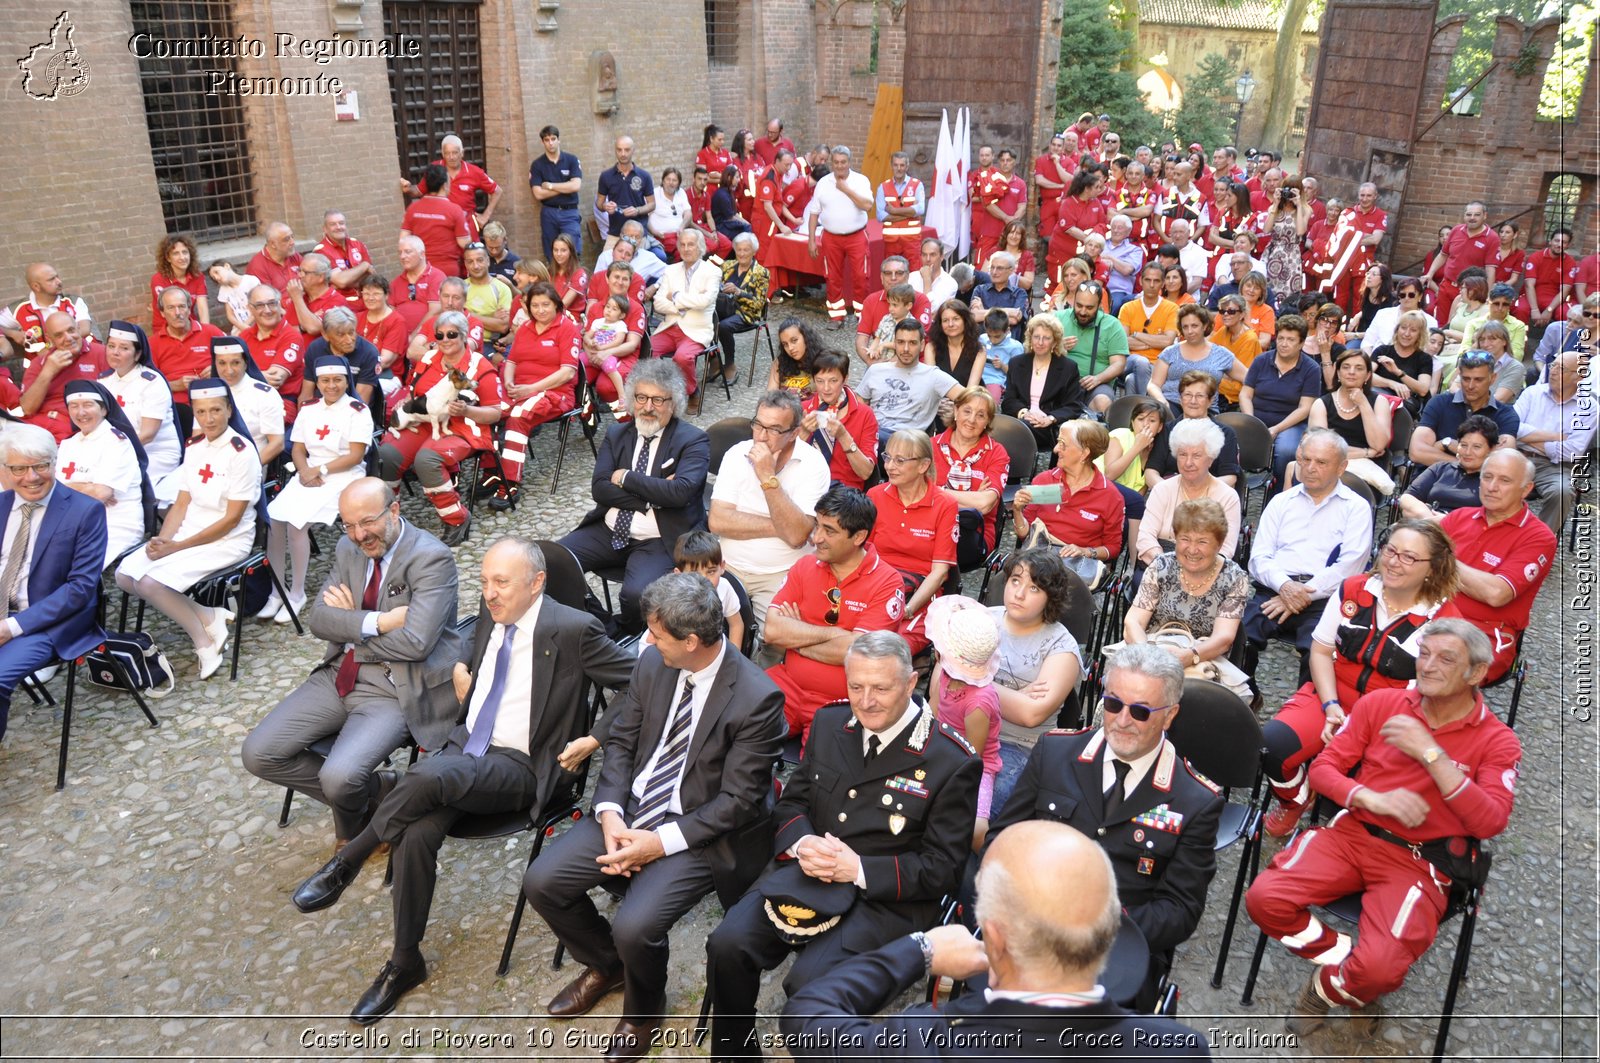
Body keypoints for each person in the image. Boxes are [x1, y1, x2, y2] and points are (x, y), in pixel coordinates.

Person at [286, 537, 634, 1025]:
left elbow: (641, 683)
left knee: (429, 774)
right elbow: (482, 659)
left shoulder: (574, 629)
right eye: (485, 581)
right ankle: (405, 962)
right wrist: (466, 678)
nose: (490, 593)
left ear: (536, 584)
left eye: (502, 583)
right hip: (466, 751)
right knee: (416, 829)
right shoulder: (492, 611)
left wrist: (594, 738)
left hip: (522, 768)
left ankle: (349, 857)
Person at [525, 573, 784, 1063]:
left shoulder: (757, 698)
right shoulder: (652, 662)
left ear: (691, 641)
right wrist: (610, 813)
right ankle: (609, 966)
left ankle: (643, 1010)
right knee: (543, 881)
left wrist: (657, 844)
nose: (647, 640)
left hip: (698, 833)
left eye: (657, 634)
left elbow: (738, 802)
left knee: (634, 925)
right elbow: (622, 740)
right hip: (632, 810)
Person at [706, 630, 982, 1063]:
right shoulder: (832, 723)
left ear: (911, 685)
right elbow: (793, 801)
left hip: (886, 897)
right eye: (856, 686)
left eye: (881, 688)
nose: (866, 700)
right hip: (809, 870)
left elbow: (942, 869)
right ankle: (734, 1053)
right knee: (727, 944)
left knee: (809, 988)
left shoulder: (951, 760)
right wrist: (802, 844)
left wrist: (857, 869)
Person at [1246, 619, 1520, 1038]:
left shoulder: (1498, 741)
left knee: (1381, 969)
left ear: (1477, 673)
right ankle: (1352, 969)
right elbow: (1323, 770)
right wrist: (1368, 798)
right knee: (1265, 900)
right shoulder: (1382, 705)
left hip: (1420, 861)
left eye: (1446, 659)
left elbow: (1490, 821)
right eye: (1424, 653)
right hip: (1353, 832)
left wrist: (1431, 755)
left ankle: (1327, 989)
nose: (1427, 666)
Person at [780, 818, 1212, 1059]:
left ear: (995, 940)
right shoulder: (1179, 1049)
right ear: (1109, 931)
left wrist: (921, 950)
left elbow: (807, 1017)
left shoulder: (925, 1041)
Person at [242, 478, 462, 851]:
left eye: (368, 522)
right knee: (258, 753)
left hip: (396, 688)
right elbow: (318, 620)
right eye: (349, 525)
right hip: (340, 676)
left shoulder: (431, 558)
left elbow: (417, 643)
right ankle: (382, 795)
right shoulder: (348, 548)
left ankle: (357, 819)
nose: (359, 535)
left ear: (394, 510)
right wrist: (378, 621)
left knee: (339, 777)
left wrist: (352, 625)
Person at [991, 642, 1223, 990]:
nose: (1123, 721)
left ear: (1170, 715)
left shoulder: (1195, 799)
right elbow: (1001, 842)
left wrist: (1095, 929)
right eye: (1113, 704)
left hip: (1119, 946)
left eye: (1141, 711)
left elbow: (1179, 910)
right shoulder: (1054, 752)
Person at [1259, 520, 1462, 838]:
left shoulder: (1444, 621)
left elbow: (1430, 698)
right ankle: (1296, 798)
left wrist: (1356, 726)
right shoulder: (1353, 589)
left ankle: (1343, 831)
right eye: (1391, 550)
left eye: (1409, 557)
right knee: (1271, 746)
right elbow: (1321, 651)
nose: (1394, 561)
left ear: (1432, 569)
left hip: (1391, 717)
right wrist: (1330, 705)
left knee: (1361, 786)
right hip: (1332, 696)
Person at [114, 379, 262, 679]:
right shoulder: (194, 447)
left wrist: (176, 547)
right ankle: (209, 615)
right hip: (188, 532)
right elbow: (181, 503)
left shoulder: (242, 451)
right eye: (201, 411)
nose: (209, 419)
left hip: (228, 539)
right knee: (125, 576)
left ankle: (204, 640)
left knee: (150, 584)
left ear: (229, 410)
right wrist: (163, 539)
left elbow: (232, 519)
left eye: (216, 410)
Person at [558, 359, 709, 636]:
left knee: (637, 595)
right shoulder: (617, 434)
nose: (648, 407)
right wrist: (651, 498)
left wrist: (627, 478)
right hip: (609, 529)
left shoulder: (693, 440)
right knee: (553, 563)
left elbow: (681, 492)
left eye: (658, 400)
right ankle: (603, 627)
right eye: (641, 397)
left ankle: (629, 635)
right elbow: (600, 488)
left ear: (673, 403)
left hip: (659, 538)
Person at [764, 485, 907, 740]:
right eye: (817, 525)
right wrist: (840, 635)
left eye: (829, 530)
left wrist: (797, 640)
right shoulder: (805, 564)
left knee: (821, 774)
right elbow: (773, 631)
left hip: (842, 702)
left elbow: (859, 653)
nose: (816, 537)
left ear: (859, 536)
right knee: (733, 732)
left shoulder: (888, 583)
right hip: (787, 686)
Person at [1240, 430, 1373, 696]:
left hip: (1326, 598)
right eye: (1305, 460)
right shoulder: (1281, 502)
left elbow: (1350, 567)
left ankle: (1305, 714)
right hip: (1275, 589)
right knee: (1238, 635)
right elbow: (1259, 558)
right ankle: (1241, 698)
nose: (1310, 468)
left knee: (1318, 650)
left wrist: (1301, 594)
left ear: (1342, 467)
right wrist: (1286, 587)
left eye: (1321, 462)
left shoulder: (1356, 508)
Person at [0, 424, 109, 743]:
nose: (31, 477)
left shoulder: (85, 511)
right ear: (5, 469)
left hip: (48, 621)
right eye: (19, 468)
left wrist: (12, 627)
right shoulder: (2, 505)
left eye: (40, 466)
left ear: (55, 462)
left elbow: (80, 589)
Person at [377, 309, 505, 546]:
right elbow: (414, 390)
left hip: (465, 427)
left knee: (427, 459)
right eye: (440, 335)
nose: (445, 340)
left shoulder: (479, 365)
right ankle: (388, 518)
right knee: (386, 454)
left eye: (452, 334)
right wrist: (407, 400)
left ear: (464, 336)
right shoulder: (428, 359)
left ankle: (456, 518)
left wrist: (467, 410)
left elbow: (495, 413)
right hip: (427, 421)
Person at [262, 355, 373, 623]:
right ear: (318, 382)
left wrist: (319, 471)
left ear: (347, 381)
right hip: (308, 474)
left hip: (343, 476)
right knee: (273, 520)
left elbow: (356, 455)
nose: (331, 386)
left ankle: (297, 593)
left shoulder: (357, 410)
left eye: (337, 380)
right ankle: (277, 591)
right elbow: (298, 448)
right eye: (325, 380)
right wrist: (304, 471)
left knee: (296, 525)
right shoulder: (309, 409)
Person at [709, 390, 831, 629]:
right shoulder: (736, 454)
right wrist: (781, 526)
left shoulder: (814, 465)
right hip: (728, 566)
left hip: (783, 573)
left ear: (795, 433)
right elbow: (717, 521)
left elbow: (797, 536)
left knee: (776, 639)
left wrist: (767, 477)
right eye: (758, 425)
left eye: (774, 429)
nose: (761, 437)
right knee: (698, 629)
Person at [1439, 450, 1556, 683]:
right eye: (1487, 476)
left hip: (1484, 633)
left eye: (1504, 480)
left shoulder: (1538, 537)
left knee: (1435, 669)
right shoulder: (1459, 517)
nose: (1492, 487)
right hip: (1430, 615)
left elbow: (1495, 593)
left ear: (1526, 489)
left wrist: (1438, 559)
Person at [1125, 497, 1249, 667]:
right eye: (1185, 539)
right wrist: (1146, 654)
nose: (1192, 549)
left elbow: (1223, 638)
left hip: (1204, 658)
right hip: (1153, 651)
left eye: (1202, 541)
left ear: (1219, 544)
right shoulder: (1161, 566)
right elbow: (1134, 621)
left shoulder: (1234, 577)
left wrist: (1190, 656)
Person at [867, 430, 959, 648]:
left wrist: (907, 610)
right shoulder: (875, 496)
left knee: (888, 649)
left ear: (923, 465)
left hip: (919, 595)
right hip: (877, 585)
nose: (889, 466)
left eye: (899, 460)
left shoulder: (945, 504)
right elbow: (862, 553)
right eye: (887, 457)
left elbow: (939, 572)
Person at [1013, 420, 1125, 589]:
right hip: (1038, 559)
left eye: (1063, 444)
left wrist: (1085, 551)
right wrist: (1017, 510)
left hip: (1074, 569)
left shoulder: (1110, 496)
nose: (1056, 449)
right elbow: (1025, 535)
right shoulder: (1044, 480)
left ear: (1084, 453)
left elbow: (1113, 548)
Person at [496, 281, 579, 502]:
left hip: (554, 393)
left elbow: (568, 373)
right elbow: (511, 361)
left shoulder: (567, 328)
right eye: (535, 305)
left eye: (545, 305)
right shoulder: (524, 329)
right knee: (490, 412)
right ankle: (491, 474)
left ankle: (509, 484)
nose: (540, 310)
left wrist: (531, 389)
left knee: (518, 417)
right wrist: (509, 384)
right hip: (520, 390)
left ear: (556, 305)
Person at [57, 380, 152, 569]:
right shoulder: (69, 443)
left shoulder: (117, 442)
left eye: (87, 405)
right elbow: (52, 488)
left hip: (114, 523)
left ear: (104, 410)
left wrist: (70, 489)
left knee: (69, 567)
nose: (80, 412)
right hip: (74, 519)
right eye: (74, 406)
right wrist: (87, 488)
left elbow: (100, 494)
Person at [1137, 419, 1241, 565]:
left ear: (1210, 459)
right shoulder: (1162, 489)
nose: (1188, 463)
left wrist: (1194, 569)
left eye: (1197, 455)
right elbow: (1145, 536)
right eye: (1183, 454)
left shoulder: (1227, 497)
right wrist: (1165, 564)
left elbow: (1227, 548)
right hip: (1160, 562)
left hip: (1207, 568)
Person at [1514, 350, 1593, 533]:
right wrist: (1556, 437)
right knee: (1490, 473)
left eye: (1562, 368)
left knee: (1563, 491)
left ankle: (1539, 543)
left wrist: (1527, 438)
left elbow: (1573, 451)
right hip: (1517, 455)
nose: (1554, 371)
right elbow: (1511, 427)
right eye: (1553, 365)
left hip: (1554, 466)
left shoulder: (1589, 407)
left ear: (1579, 377)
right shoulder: (1532, 393)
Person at [100, 320, 183, 494]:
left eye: (123, 348)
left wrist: (115, 454)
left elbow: (147, 434)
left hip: (154, 453)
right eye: (111, 346)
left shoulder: (151, 382)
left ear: (137, 354)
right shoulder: (102, 381)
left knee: (123, 487)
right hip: (118, 452)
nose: (115, 352)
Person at [931, 387, 1008, 570]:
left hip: (972, 533)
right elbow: (916, 494)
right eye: (967, 411)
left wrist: (937, 492)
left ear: (987, 421)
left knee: (933, 545)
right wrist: (971, 499)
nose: (972, 420)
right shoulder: (930, 446)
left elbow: (984, 505)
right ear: (956, 411)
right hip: (929, 523)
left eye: (981, 415)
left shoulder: (996, 453)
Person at [1302, 348, 1395, 495]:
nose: (1351, 372)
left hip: (1369, 470)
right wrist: (1366, 452)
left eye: (1359, 368)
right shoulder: (1322, 404)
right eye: (1346, 367)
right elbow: (1320, 450)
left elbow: (1378, 445)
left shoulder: (1379, 402)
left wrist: (1363, 404)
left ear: (1368, 375)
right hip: (1326, 466)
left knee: (1346, 485)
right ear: (1338, 373)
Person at [1409, 349, 1520, 468]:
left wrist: (1447, 444)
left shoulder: (1506, 414)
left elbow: (1502, 461)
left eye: (1478, 380)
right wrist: (1466, 464)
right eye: (1466, 379)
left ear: (1492, 378)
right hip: (1432, 481)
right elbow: (1417, 452)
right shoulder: (1439, 403)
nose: (1471, 386)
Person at [858, 319, 965, 443]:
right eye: (901, 342)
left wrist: (955, 410)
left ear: (922, 345)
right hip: (873, 435)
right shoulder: (875, 370)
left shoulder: (933, 375)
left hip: (909, 442)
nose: (906, 349)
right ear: (894, 344)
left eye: (913, 343)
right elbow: (858, 405)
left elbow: (972, 398)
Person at [650, 229, 720, 410]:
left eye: (691, 244)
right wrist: (681, 306)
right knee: (647, 350)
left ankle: (691, 390)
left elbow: (705, 301)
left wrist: (675, 296)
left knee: (682, 357)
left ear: (700, 247)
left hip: (696, 330)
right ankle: (665, 391)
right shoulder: (670, 270)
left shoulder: (712, 271)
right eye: (682, 244)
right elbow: (658, 302)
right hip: (671, 326)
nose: (686, 249)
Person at [806, 146, 874, 327]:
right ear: (832, 163)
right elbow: (814, 213)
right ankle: (836, 316)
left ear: (849, 162)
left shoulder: (860, 180)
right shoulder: (823, 183)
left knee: (861, 276)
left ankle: (863, 316)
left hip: (856, 235)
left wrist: (846, 189)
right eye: (836, 162)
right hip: (830, 237)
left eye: (843, 162)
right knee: (832, 277)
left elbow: (867, 206)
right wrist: (811, 240)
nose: (839, 166)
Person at [1144, 371, 1243, 489]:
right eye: (1188, 395)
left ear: (1210, 401)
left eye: (1200, 396)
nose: (1193, 401)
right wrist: (1168, 493)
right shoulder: (1166, 430)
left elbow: (1230, 477)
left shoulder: (1226, 433)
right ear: (1180, 399)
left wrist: (1198, 493)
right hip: (1170, 493)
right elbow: (1151, 471)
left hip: (1209, 498)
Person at [1002, 314, 1086, 452]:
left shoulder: (1068, 367)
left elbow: (1073, 406)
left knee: (1012, 433)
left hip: (1049, 426)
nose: (1040, 342)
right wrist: (1024, 413)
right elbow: (1009, 400)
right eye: (1036, 337)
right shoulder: (1017, 363)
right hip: (1022, 420)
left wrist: (1050, 418)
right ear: (1030, 338)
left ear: (1054, 342)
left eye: (1046, 338)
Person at [21, 312, 108, 444]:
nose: (68, 338)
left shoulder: (102, 353)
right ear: (49, 339)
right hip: (42, 429)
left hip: (81, 428)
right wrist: (48, 372)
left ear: (78, 328)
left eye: (71, 330)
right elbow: (28, 408)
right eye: (59, 335)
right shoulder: (39, 364)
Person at [400, 134, 501, 239]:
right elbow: (418, 191)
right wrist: (408, 188)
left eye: (455, 153)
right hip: (442, 226)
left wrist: (485, 216)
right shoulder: (435, 169)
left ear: (462, 153)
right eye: (447, 153)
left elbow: (497, 191)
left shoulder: (474, 171)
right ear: (443, 154)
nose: (451, 157)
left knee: (471, 254)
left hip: (468, 226)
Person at [800, 350, 877, 488]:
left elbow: (866, 472)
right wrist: (803, 434)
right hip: (805, 482)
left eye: (833, 381)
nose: (826, 388)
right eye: (819, 381)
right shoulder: (803, 409)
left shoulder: (865, 414)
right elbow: (782, 460)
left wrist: (844, 437)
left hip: (844, 491)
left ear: (845, 378)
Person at [1398, 413, 1497, 520]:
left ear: (1490, 450)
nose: (1468, 452)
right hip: (1428, 526)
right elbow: (1407, 497)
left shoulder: (1493, 480)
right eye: (1463, 445)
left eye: (1476, 447)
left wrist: (1448, 522)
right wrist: (1428, 518)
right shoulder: (1440, 468)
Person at [1150, 304, 1246, 410]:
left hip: (1205, 410)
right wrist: (1161, 401)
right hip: (1171, 405)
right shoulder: (1170, 352)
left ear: (1204, 326)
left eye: (1194, 326)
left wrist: (1245, 397)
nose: (1190, 331)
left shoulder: (1221, 354)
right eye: (1185, 327)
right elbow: (1154, 384)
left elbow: (1249, 378)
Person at [1053, 282, 1129, 416]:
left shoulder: (1112, 325)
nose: (1082, 312)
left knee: (1102, 402)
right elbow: (1035, 350)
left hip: (1096, 385)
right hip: (1061, 382)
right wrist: (1057, 346)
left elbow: (1119, 363)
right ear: (1074, 300)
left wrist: (1098, 379)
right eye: (1079, 305)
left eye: (1089, 307)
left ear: (1100, 305)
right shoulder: (1057, 319)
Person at [209, 337, 286, 467]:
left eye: (235, 363)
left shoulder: (264, 394)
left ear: (246, 363)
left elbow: (277, 444)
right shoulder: (208, 393)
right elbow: (198, 437)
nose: (229, 370)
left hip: (251, 462)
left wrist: (249, 468)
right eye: (222, 363)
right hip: (209, 462)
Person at [1423, 201, 1501, 323]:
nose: (1472, 218)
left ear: (1484, 216)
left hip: (1470, 291)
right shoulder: (1456, 230)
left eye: (1477, 215)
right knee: (1440, 323)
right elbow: (1443, 255)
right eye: (1469, 214)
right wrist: (1430, 274)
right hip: (1447, 286)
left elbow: (1490, 269)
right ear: (1464, 215)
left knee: (1459, 325)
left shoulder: (1492, 238)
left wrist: (1487, 295)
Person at [240, 283, 307, 418]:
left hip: (279, 403)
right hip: (246, 402)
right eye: (259, 305)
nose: (267, 310)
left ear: (279, 304)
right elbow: (227, 373)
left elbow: (275, 379)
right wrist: (258, 375)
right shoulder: (244, 336)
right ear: (250, 309)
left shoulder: (291, 336)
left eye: (272, 303)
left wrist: (241, 376)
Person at [149, 286, 224, 406]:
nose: (177, 313)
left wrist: (218, 370)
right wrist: (174, 385)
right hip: (177, 407)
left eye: (182, 306)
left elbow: (237, 363)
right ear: (162, 313)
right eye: (171, 308)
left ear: (189, 309)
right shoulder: (153, 343)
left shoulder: (211, 332)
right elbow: (148, 385)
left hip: (214, 397)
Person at [855, 257, 934, 363]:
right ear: (881, 277)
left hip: (913, 362)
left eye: (899, 273)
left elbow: (916, 343)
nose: (893, 278)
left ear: (907, 276)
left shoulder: (921, 300)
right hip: (878, 361)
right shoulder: (871, 300)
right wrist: (871, 362)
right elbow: (862, 339)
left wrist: (889, 367)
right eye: (888, 273)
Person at [301, 306, 382, 409]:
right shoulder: (315, 348)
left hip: (352, 414)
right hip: (319, 410)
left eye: (351, 332)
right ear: (325, 335)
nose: (349, 340)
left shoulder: (369, 352)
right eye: (341, 335)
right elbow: (306, 395)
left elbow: (360, 403)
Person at [715, 232, 769, 380]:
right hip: (724, 308)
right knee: (706, 318)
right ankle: (713, 359)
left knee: (723, 326)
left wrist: (739, 292)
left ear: (754, 251)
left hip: (746, 313)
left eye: (746, 250)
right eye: (739, 249)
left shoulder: (761, 273)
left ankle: (730, 364)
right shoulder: (727, 266)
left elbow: (759, 303)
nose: (742, 253)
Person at [1119, 264, 1179, 398]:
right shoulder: (1128, 307)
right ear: (1141, 281)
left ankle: (1133, 415)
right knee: (1141, 362)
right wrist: (1154, 341)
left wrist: (1136, 335)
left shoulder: (1172, 309)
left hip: (1158, 364)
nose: (1151, 285)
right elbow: (1123, 342)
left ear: (1163, 283)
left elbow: (1167, 341)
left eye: (1156, 281)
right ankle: (1149, 407)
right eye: (1147, 280)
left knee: (1131, 380)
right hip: (1130, 360)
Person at [401, 165, 471, 278]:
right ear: (445, 185)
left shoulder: (412, 209)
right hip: (447, 271)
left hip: (419, 269)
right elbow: (464, 243)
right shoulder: (454, 210)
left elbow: (403, 240)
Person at [528, 125, 584, 260]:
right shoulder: (537, 165)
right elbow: (538, 194)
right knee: (551, 252)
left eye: (553, 139)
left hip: (569, 212)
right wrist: (565, 187)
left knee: (572, 249)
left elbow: (576, 186)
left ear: (559, 140)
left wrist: (551, 186)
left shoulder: (571, 160)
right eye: (547, 140)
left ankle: (573, 279)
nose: (551, 143)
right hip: (549, 212)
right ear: (543, 142)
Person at [1370, 308, 1434, 413]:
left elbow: (1423, 390)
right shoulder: (1382, 350)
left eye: (1413, 330)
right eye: (1403, 328)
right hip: (1378, 399)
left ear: (1420, 334)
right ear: (1397, 329)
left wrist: (1398, 372)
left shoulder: (1424, 358)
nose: (1407, 334)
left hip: (1404, 407)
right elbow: (1365, 376)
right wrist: (1392, 384)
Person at [246, 223, 305, 329]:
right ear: (273, 244)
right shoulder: (258, 266)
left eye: (292, 237)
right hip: (281, 318)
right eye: (286, 239)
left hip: (303, 306)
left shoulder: (294, 255)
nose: (292, 242)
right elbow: (267, 305)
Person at [1100, 396, 1164, 492]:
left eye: (1152, 421)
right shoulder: (1120, 435)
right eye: (1140, 419)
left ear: (1160, 427)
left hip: (1128, 501)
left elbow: (1141, 491)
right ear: (1133, 423)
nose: (1145, 425)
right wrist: (1137, 447)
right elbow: (1109, 475)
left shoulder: (1158, 448)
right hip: (1102, 489)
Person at [311, 209, 375, 307]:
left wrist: (347, 279)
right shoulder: (321, 252)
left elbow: (371, 276)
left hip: (366, 301)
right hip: (340, 307)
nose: (338, 227)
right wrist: (364, 265)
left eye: (341, 223)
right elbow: (341, 281)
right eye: (333, 224)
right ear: (325, 229)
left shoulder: (357, 244)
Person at [388, 235, 447, 340]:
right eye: (400, 252)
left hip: (429, 337)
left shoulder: (436, 276)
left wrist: (413, 337)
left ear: (422, 254)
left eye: (407, 251)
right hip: (400, 338)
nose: (402, 256)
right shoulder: (396, 283)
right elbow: (390, 314)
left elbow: (435, 311)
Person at [148, 234, 211, 328]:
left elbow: (202, 308)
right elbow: (170, 313)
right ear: (168, 258)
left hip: (189, 325)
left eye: (185, 252)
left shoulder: (197, 276)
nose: (182, 257)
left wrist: (206, 331)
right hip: (165, 328)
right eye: (176, 253)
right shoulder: (158, 279)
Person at [876, 151, 925, 263]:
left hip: (912, 241)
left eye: (902, 165)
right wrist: (909, 213)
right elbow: (880, 216)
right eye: (896, 165)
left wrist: (894, 211)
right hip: (891, 242)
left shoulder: (917, 185)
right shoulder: (883, 187)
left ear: (907, 167)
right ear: (891, 166)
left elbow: (921, 209)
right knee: (892, 275)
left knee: (914, 276)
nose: (899, 168)